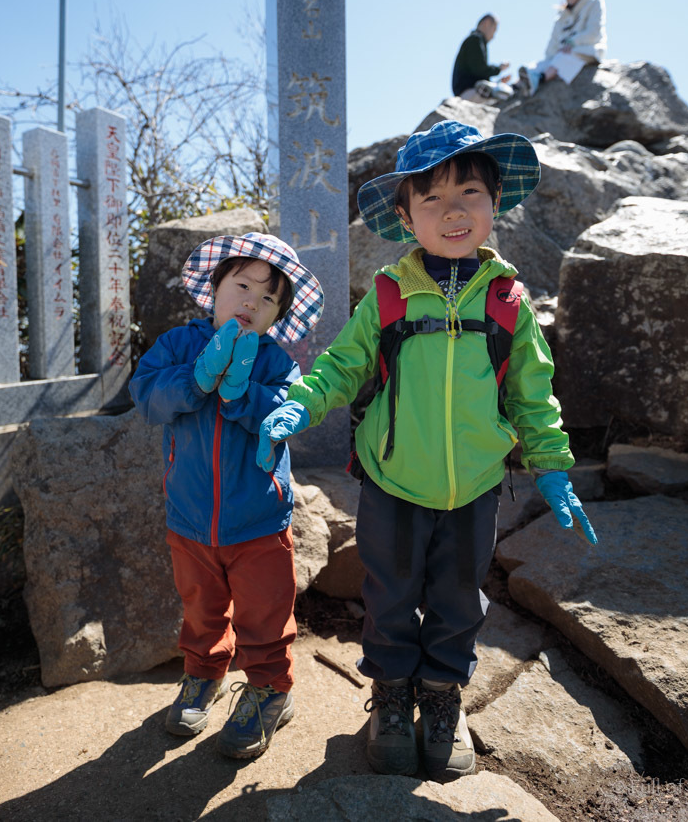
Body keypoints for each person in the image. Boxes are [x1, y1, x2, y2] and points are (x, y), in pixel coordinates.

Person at [254, 121, 597, 781]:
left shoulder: (507, 302)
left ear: (495, 205)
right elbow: (342, 364)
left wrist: (552, 467)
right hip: (392, 481)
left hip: (473, 487)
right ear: (406, 214)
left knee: (458, 598)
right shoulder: (387, 295)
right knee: (388, 595)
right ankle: (390, 694)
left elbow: (533, 391)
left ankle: (442, 696)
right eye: (432, 198)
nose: (454, 210)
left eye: (470, 190)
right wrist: (306, 400)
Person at [128, 232, 323, 760]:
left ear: (277, 315)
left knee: (265, 613)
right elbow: (146, 396)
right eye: (241, 286)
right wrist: (196, 379)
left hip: (258, 519)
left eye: (267, 299)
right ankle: (202, 675)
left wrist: (240, 393)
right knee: (200, 608)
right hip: (189, 517)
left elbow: (284, 415)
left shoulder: (277, 362)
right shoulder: (178, 345)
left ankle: (269, 689)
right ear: (214, 289)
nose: (250, 303)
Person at [517, 0, 607, 96]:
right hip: (562, 54)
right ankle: (515, 86)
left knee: (562, 58)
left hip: (587, 51)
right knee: (541, 64)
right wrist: (548, 60)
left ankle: (540, 79)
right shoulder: (561, 16)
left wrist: (572, 42)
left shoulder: (595, 2)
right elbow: (552, 45)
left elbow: (594, 32)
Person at [451, 14, 512, 102]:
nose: (493, 36)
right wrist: (499, 69)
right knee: (505, 95)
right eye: (494, 29)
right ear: (486, 23)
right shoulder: (475, 40)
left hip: (468, 92)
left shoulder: (475, 40)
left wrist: (497, 83)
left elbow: (478, 73)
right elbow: (479, 69)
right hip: (469, 93)